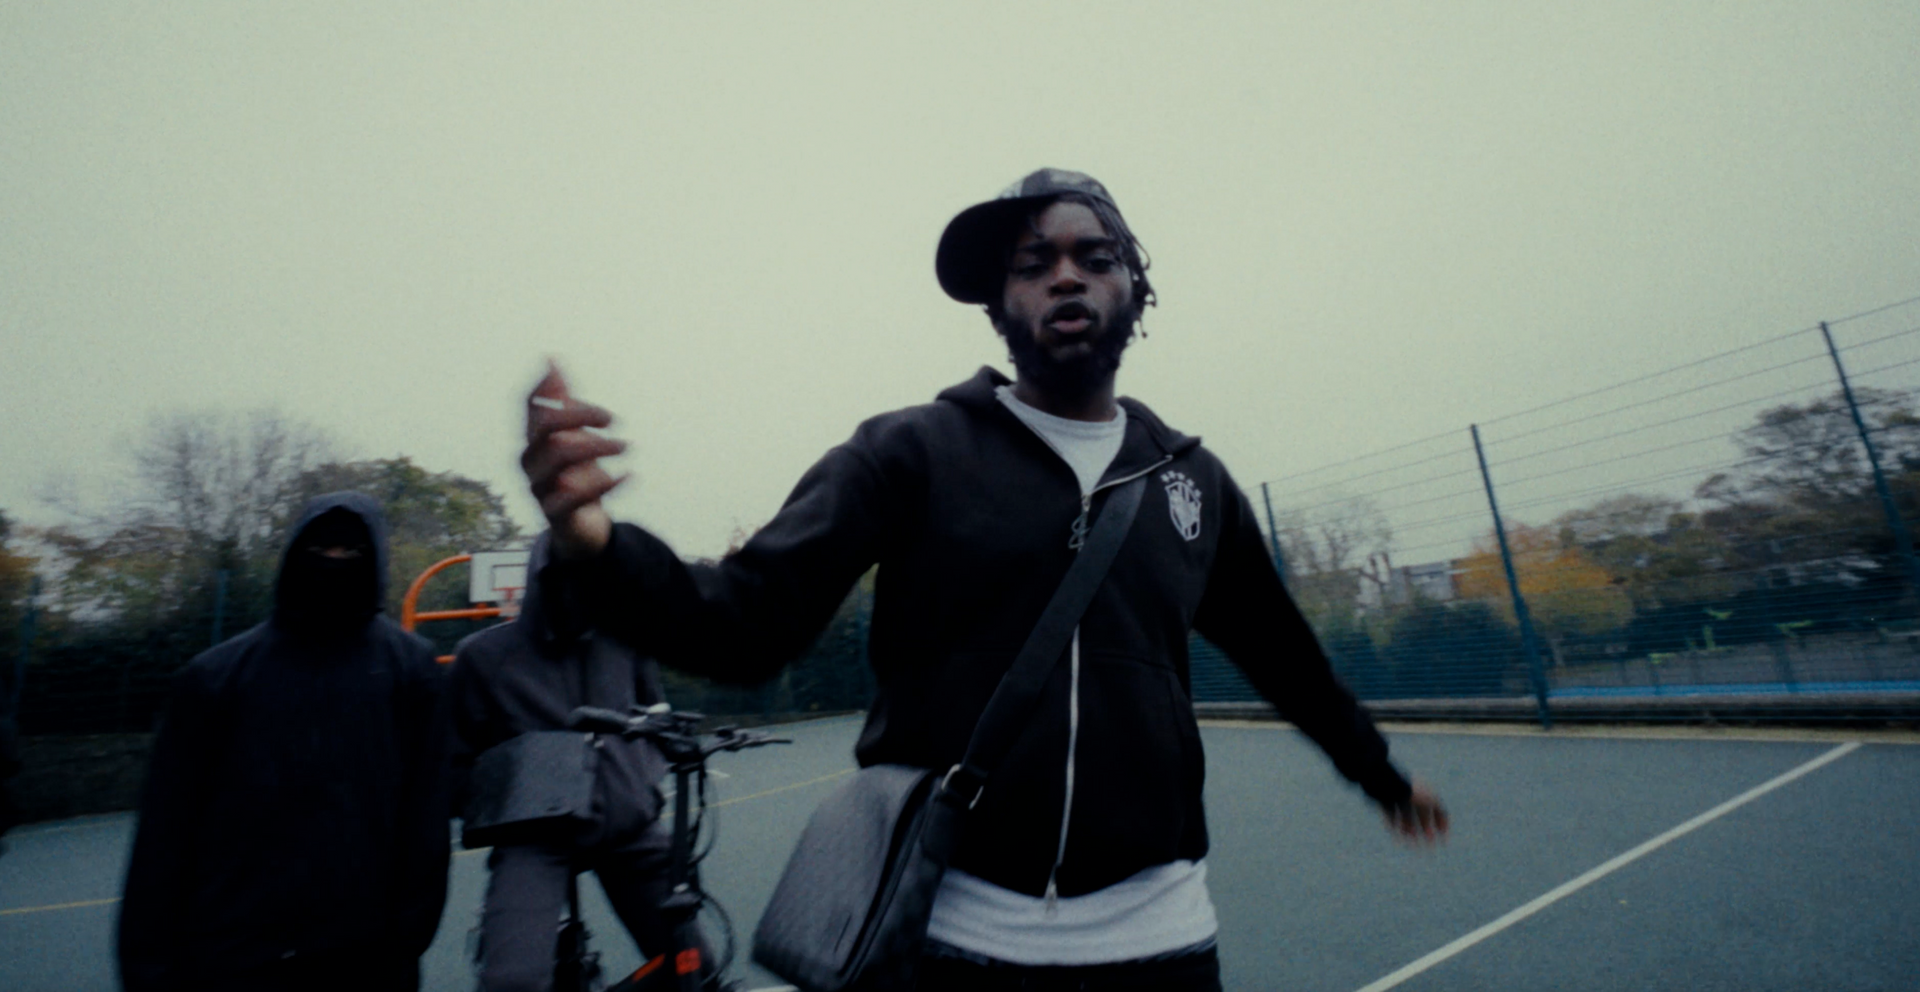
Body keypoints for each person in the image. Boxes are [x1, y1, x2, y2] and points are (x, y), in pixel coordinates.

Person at [521, 169, 1448, 991]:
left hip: (1164, 940)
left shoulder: (1191, 482)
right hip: (953, 940)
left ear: (1134, 288)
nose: (1065, 275)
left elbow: (1285, 656)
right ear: (999, 307)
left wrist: (1378, 771)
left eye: (1095, 256)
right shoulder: (908, 452)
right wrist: (596, 545)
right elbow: (748, 620)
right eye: (1033, 263)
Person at [117, 493, 452, 992]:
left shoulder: (411, 672)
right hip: (231, 955)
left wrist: (403, 945)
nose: (335, 561)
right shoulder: (215, 678)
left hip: (364, 959)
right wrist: (149, 970)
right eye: (321, 548)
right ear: (295, 551)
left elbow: (424, 821)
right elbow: (165, 833)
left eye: (351, 550)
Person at [449, 534, 699, 992]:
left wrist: (641, 784)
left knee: (693, 965)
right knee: (513, 982)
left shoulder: (626, 642)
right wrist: (507, 798)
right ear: (543, 579)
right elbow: (454, 761)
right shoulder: (483, 657)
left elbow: (655, 717)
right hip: (534, 838)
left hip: (629, 829)